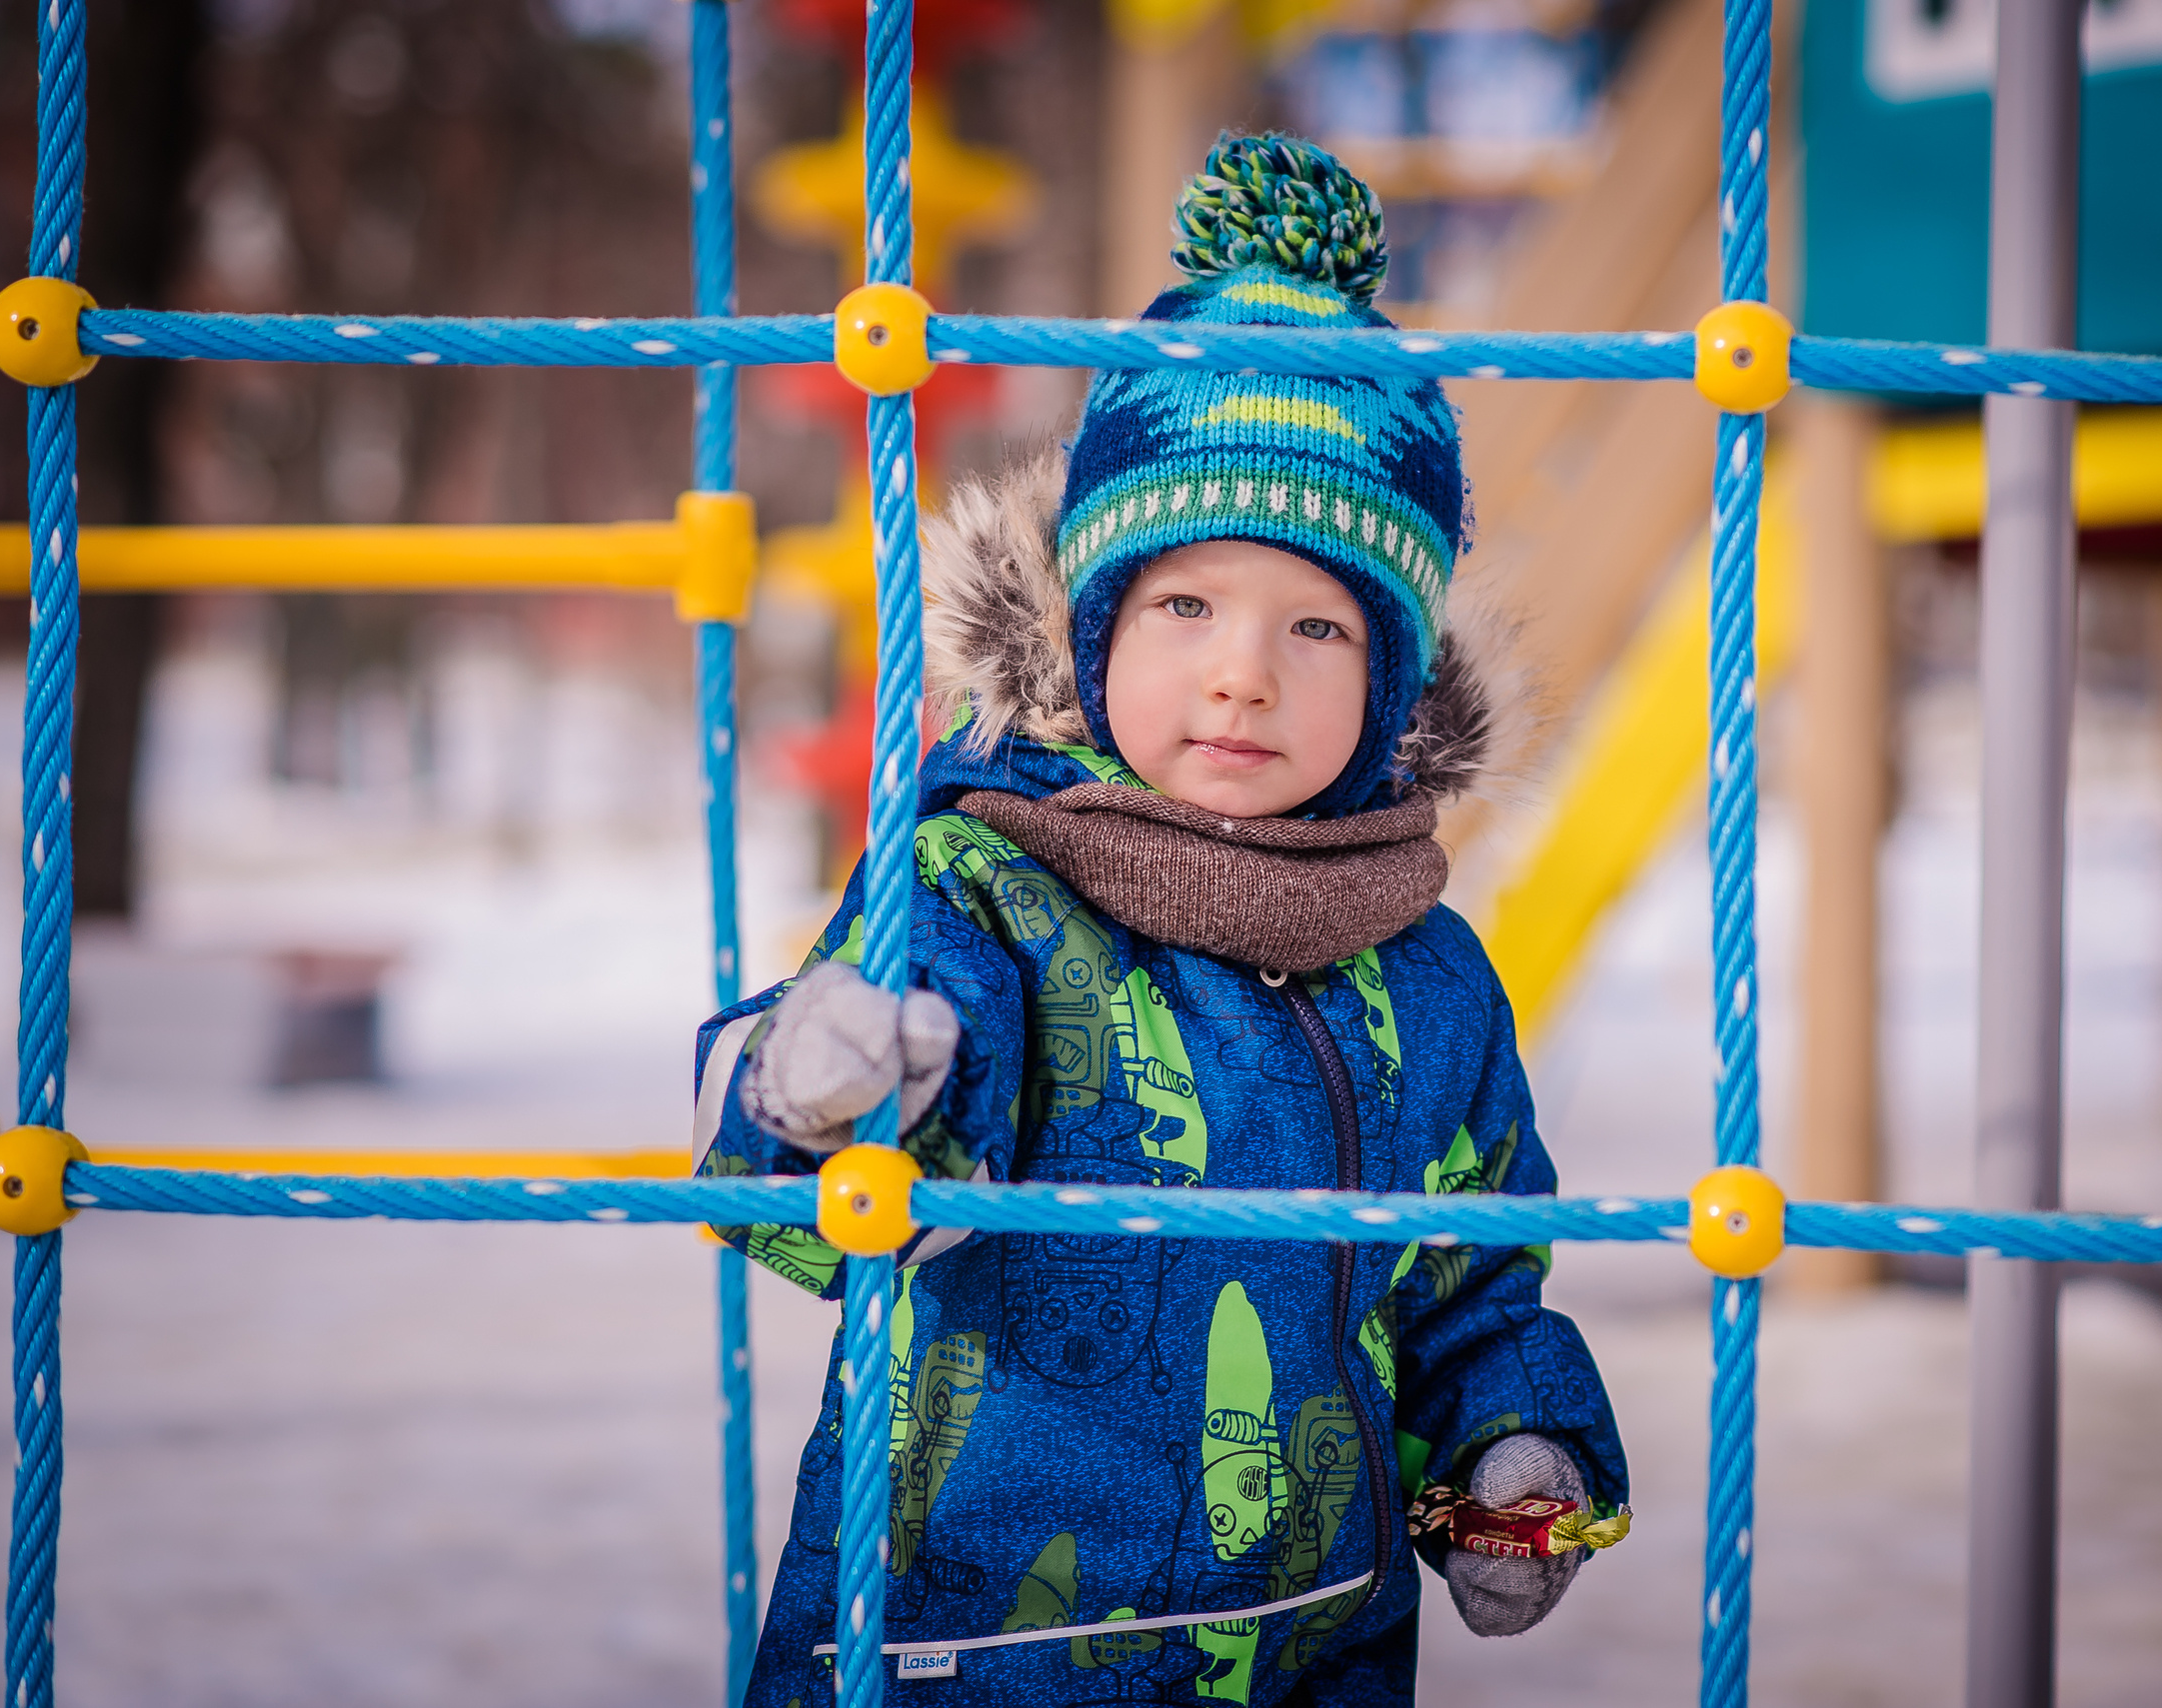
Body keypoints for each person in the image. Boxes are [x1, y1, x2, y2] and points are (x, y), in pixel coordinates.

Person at [694, 133, 1627, 1707]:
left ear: (1396, 682)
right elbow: (790, 1202)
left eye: (1318, 623)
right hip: (969, 1648)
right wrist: (828, 1082)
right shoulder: (984, 886)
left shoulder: (1430, 972)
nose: (1241, 670)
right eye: (1185, 603)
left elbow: (1466, 1279)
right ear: (1095, 621)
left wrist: (1510, 1451)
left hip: (1314, 1652)